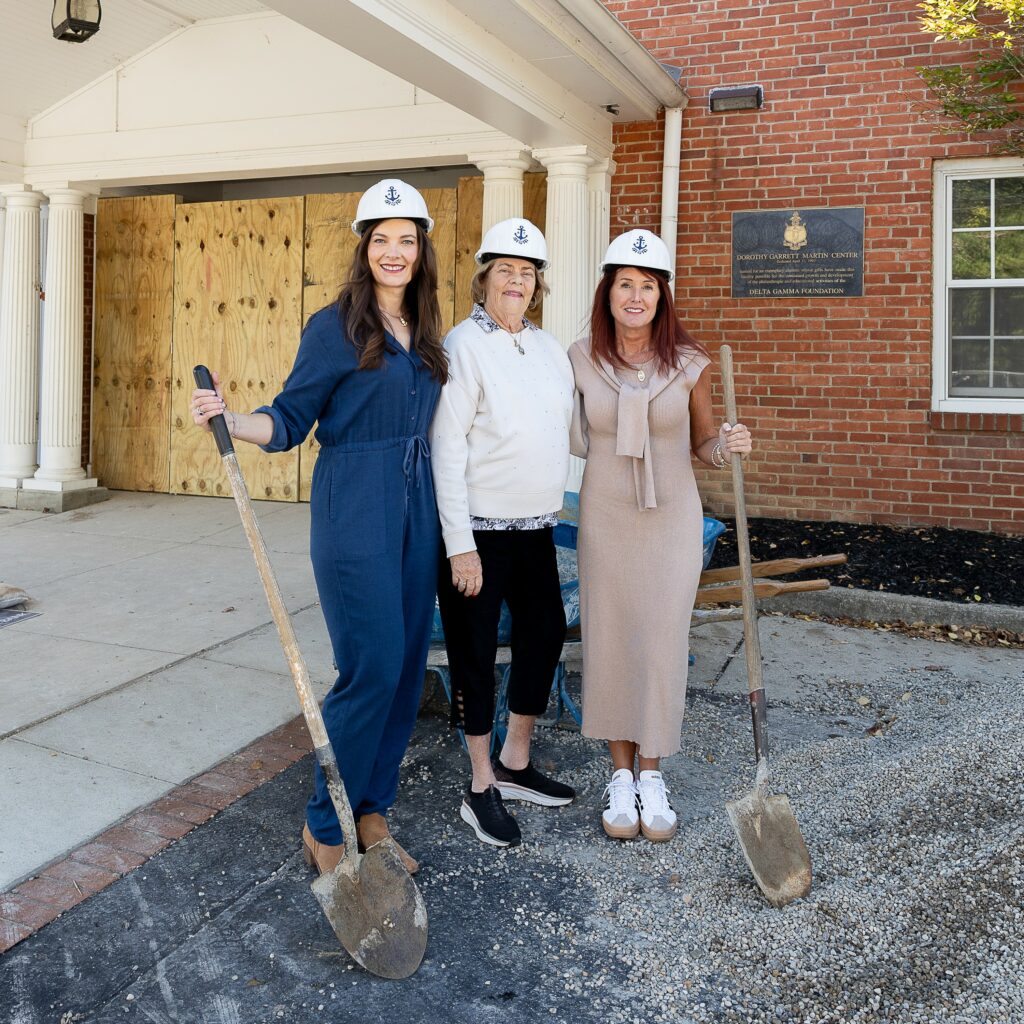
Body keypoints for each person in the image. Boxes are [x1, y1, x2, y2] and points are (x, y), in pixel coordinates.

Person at [190, 179, 446, 875]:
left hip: (416, 502)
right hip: (356, 503)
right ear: (365, 250)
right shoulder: (335, 327)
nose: (395, 252)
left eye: (408, 240)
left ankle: (370, 809)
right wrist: (231, 420)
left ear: (422, 251)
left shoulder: (423, 329)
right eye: (382, 240)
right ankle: (323, 822)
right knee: (370, 667)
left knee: (404, 670)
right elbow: (290, 419)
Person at [569, 229, 752, 843]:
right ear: (608, 291)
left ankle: (652, 772)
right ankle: (619, 773)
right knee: (612, 636)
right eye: (625, 283)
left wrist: (725, 445)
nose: (636, 295)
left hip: (672, 516)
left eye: (648, 284)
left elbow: (703, 444)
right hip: (606, 517)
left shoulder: (690, 363)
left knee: (662, 639)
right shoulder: (579, 358)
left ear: (662, 294)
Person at [430, 218, 576, 848]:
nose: (517, 282)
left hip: (535, 529)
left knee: (544, 636)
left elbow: (570, 431)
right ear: (484, 278)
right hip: (478, 535)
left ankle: (516, 763)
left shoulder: (547, 348)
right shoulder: (462, 345)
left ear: (538, 285)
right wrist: (459, 542)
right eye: (505, 272)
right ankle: (481, 784)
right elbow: (445, 444)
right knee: (475, 657)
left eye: (528, 273)